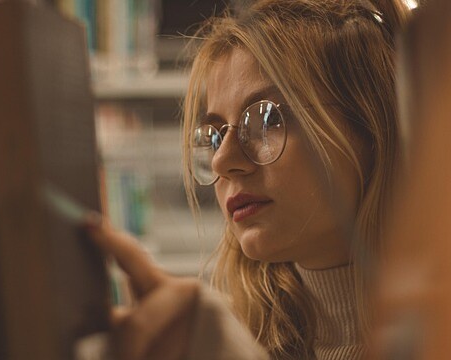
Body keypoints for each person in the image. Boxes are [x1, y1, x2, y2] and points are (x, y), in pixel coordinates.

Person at [85, 0, 411, 359]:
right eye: (213, 134)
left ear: (374, 127)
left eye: (265, 120)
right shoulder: (234, 339)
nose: (223, 160)